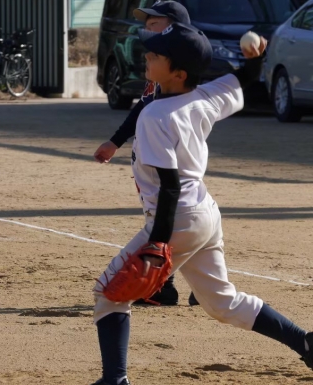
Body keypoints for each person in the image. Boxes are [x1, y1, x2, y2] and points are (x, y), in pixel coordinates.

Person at [90, 23, 313, 385]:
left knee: (109, 295)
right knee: (222, 302)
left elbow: (168, 185)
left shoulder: (155, 116)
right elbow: (241, 80)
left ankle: (114, 380)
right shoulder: (205, 95)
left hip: (176, 218)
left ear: (177, 74)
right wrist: (253, 59)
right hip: (204, 215)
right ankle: (305, 343)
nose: (147, 55)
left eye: (156, 55)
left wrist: (156, 243)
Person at [93, 1, 197, 306]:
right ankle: (189, 286)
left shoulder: (183, 62)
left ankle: (163, 285)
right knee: (177, 218)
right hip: (152, 151)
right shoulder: (159, 60)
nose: (147, 26)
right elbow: (143, 105)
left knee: (175, 216)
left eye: (154, 22)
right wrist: (116, 141)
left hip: (171, 153)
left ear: (173, 25)